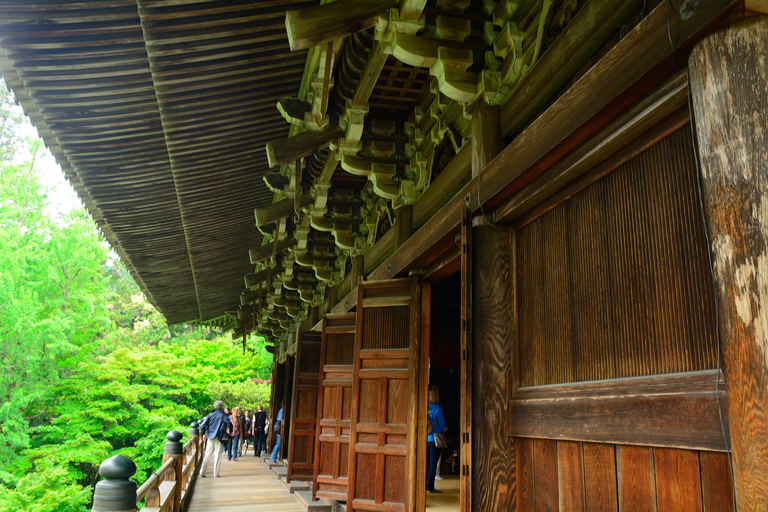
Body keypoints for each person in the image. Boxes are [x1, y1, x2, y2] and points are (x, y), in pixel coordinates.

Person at [198, 400, 232, 478]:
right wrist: (229, 431)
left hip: (210, 437)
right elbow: (229, 424)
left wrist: (204, 434)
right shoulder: (223, 415)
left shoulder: (210, 415)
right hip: (219, 438)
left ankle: (202, 472)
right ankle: (215, 474)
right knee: (217, 456)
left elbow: (202, 425)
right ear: (221, 407)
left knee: (207, 455)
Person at [426, 386, 445, 494]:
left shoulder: (426, 407)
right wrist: (441, 429)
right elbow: (442, 424)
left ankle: (424, 485)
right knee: (433, 463)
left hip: (426, 439)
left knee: (427, 463)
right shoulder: (437, 408)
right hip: (435, 438)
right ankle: (430, 487)